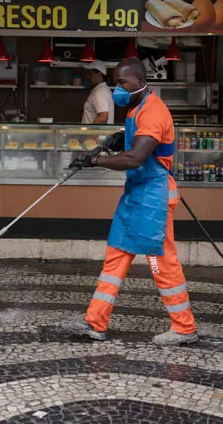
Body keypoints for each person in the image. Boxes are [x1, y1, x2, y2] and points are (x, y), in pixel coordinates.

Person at [60, 58, 198, 346]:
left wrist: (95, 160)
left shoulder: (154, 112)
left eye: (122, 83)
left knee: (161, 263)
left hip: (153, 198)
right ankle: (95, 322)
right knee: (116, 255)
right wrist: (119, 138)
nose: (117, 89)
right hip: (136, 194)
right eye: (116, 83)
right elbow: (137, 142)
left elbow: (135, 157)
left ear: (140, 81)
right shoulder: (137, 108)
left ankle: (184, 327)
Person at [81, 60, 115, 124]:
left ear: (99, 74)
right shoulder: (104, 89)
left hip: (96, 131)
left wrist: (90, 129)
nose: (88, 76)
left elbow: (103, 117)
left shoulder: (100, 92)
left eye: (90, 73)